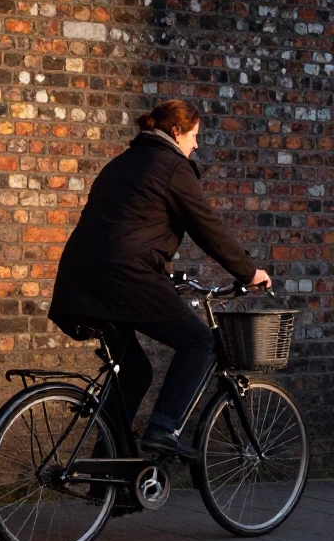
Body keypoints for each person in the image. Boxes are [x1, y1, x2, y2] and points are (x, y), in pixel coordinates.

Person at [49, 100, 271, 459]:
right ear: (176, 132)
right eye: (195, 136)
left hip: (79, 280)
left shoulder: (119, 164)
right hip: (125, 277)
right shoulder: (171, 167)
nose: (196, 145)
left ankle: (108, 479)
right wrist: (249, 271)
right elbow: (208, 227)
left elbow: (124, 225)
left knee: (134, 371)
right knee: (199, 342)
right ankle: (164, 429)